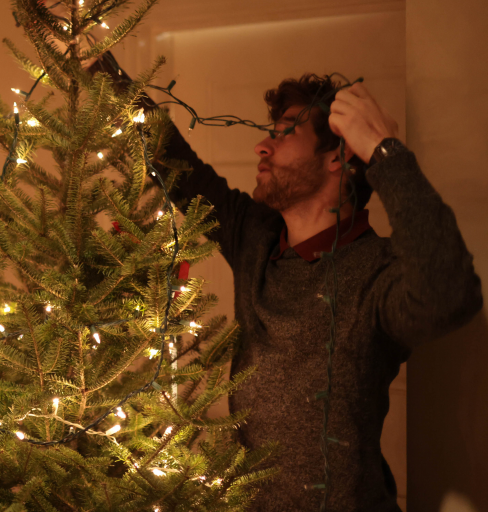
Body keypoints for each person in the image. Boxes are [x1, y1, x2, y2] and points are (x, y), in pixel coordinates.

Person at [92, 54, 482, 511]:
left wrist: (383, 148)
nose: (261, 146)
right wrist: (97, 66)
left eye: (284, 133)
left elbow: (451, 292)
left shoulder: (379, 272)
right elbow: (174, 161)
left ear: (338, 157)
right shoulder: (254, 237)